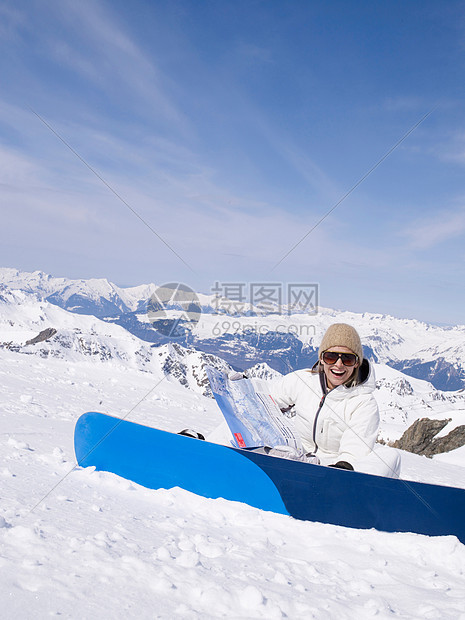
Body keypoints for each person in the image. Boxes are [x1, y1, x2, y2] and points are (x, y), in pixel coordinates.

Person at [208, 323, 401, 478]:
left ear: (357, 363)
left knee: (390, 456)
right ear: (322, 358)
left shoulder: (363, 403)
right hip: (293, 457)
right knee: (241, 417)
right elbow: (268, 400)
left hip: (332, 470)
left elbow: (354, 451)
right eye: (331, 356)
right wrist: (245, 391)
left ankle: (345, 487)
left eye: (348, 359)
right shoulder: (303, 380)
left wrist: (338, 470)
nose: (339, 364)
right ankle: (202, 448)